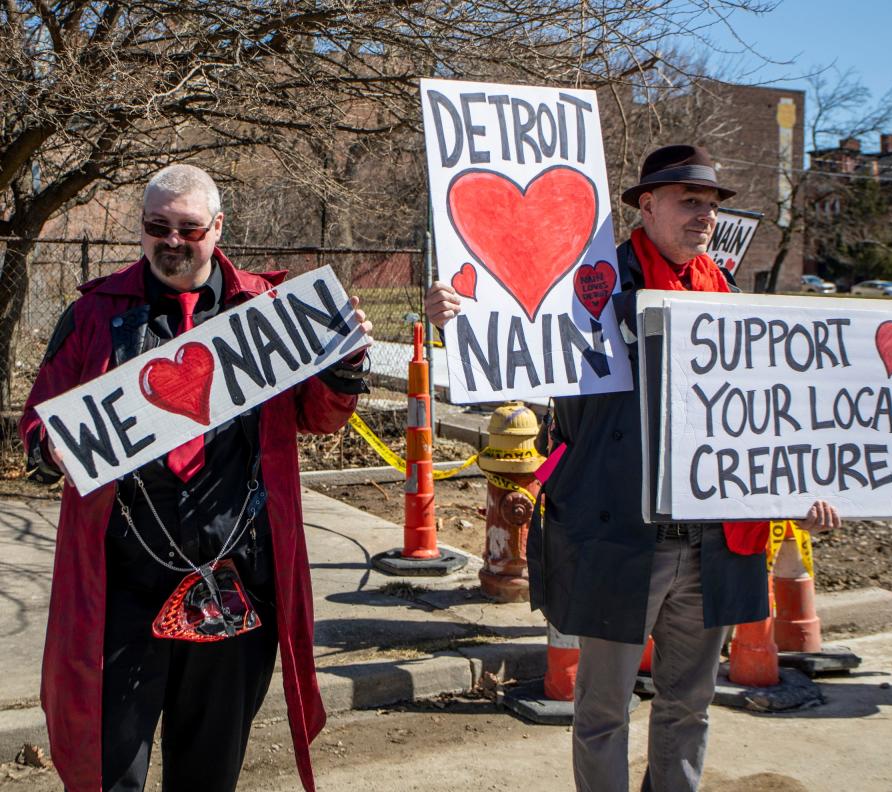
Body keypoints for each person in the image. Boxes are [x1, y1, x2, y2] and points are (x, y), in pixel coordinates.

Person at [425, 144, 840, 792]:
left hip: (714, 544)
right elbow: (513, 335)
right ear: (647, 206)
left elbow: (768, 414)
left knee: (688, 706)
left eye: (709, 203)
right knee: (600, 711)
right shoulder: (591, 284)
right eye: (688, 201)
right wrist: (457, 318)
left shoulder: (728, 297)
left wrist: (799, 486)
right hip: (620, 540)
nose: (703, 215)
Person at [20, 164, 373, 792]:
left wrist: (344, 369)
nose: (173, 241)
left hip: (233, 582)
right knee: (109, 769)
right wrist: (51, 450)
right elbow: (41, 422)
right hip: (122, 586)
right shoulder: (95, 314)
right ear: (142, 229)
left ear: (217, 228)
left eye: (188, 228)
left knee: (208, 773)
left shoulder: (269, 310)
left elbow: (317, 418)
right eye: (158, 227)